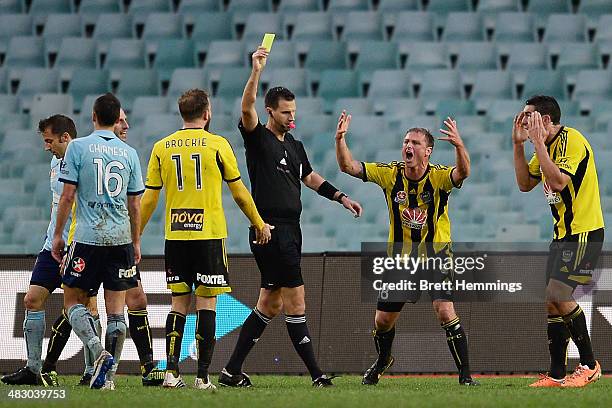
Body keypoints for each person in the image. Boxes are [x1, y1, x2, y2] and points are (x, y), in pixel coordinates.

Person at [218, 47, 362, 388]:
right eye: (285, 112)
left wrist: (341, 197)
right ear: (270, 112)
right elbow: (245, 108)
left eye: (293, 111)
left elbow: (310, 177)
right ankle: (317, 375)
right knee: (296, 301)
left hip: (289, 231)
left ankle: (230, 371)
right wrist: (255, 71)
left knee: (269, 303)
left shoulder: (294, 145)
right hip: (269, 229)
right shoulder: (258, 139)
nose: (291, 117)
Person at [140, 88, 272, 390]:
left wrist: (136, 234)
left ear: (182, 113)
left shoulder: (162, 147)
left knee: (178, 304)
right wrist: (259, 223)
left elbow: (149, 199)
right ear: (207, 113)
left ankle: (171, 374)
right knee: (207, 303)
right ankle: (201, 377)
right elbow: (239, 192)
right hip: (208, 235)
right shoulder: (217, 144)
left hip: (175, 235)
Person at [335, 111, 478, 386]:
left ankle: (466, 376)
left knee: (445, 310)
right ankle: (383, 359)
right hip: (401, 260)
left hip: (436, 256)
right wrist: (340, 139)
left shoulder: (438, 178)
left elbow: (464, 172)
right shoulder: (391, 174)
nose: (408, 147)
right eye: (405, 142)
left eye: (415, 143)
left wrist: (460, 146)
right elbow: (348, 167)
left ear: (428, 151)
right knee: (382, 322)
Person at [51, 93, 144, 390]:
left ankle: (96, 348)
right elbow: (135, 205)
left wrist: (57, 235)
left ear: (93, 116)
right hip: (120, 240)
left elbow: (67, 197)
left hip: (88, 238)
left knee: (72, 302)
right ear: (117, 118)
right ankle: (109, 378)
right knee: (117, 310)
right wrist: (136, 242)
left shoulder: (77, 148)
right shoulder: (129, 153)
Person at [512, 95, 603, 388]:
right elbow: (526, 184)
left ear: (546, 120)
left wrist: (537, 144)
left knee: (558, 292)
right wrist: (517, 146)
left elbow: (559, 181)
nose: (523, 120)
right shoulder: (545, 147)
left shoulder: (572, 140)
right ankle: (556, 374)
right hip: (562, 234)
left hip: (583, 231)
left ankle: (589, 365)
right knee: (552, 302)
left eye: (529, 115)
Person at [1, 115, 78, 387]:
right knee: (32, 300)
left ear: (65, 137)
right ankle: (33, 369)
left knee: (83, 309)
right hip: (52, 245)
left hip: (77, 245)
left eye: (49, 140)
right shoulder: (55, 162)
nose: (46, 146)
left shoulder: (84, 163)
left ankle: (96, 371)